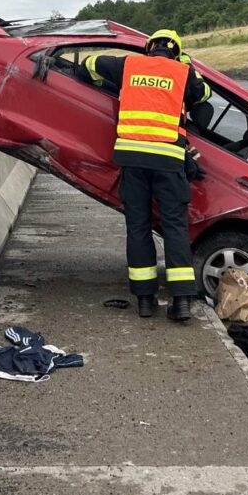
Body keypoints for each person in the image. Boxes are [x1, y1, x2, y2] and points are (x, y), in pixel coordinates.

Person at [82, 29, 208, 322]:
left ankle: (146, 301)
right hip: (168, 161)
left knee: (137, 227)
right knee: (175, 228)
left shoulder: (128, 65)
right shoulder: (182, 71)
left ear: (148, 48)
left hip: (132, 160)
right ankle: (181, 302)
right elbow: (203, 94)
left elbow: (90, 64)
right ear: (176, 51)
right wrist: (186, 63)